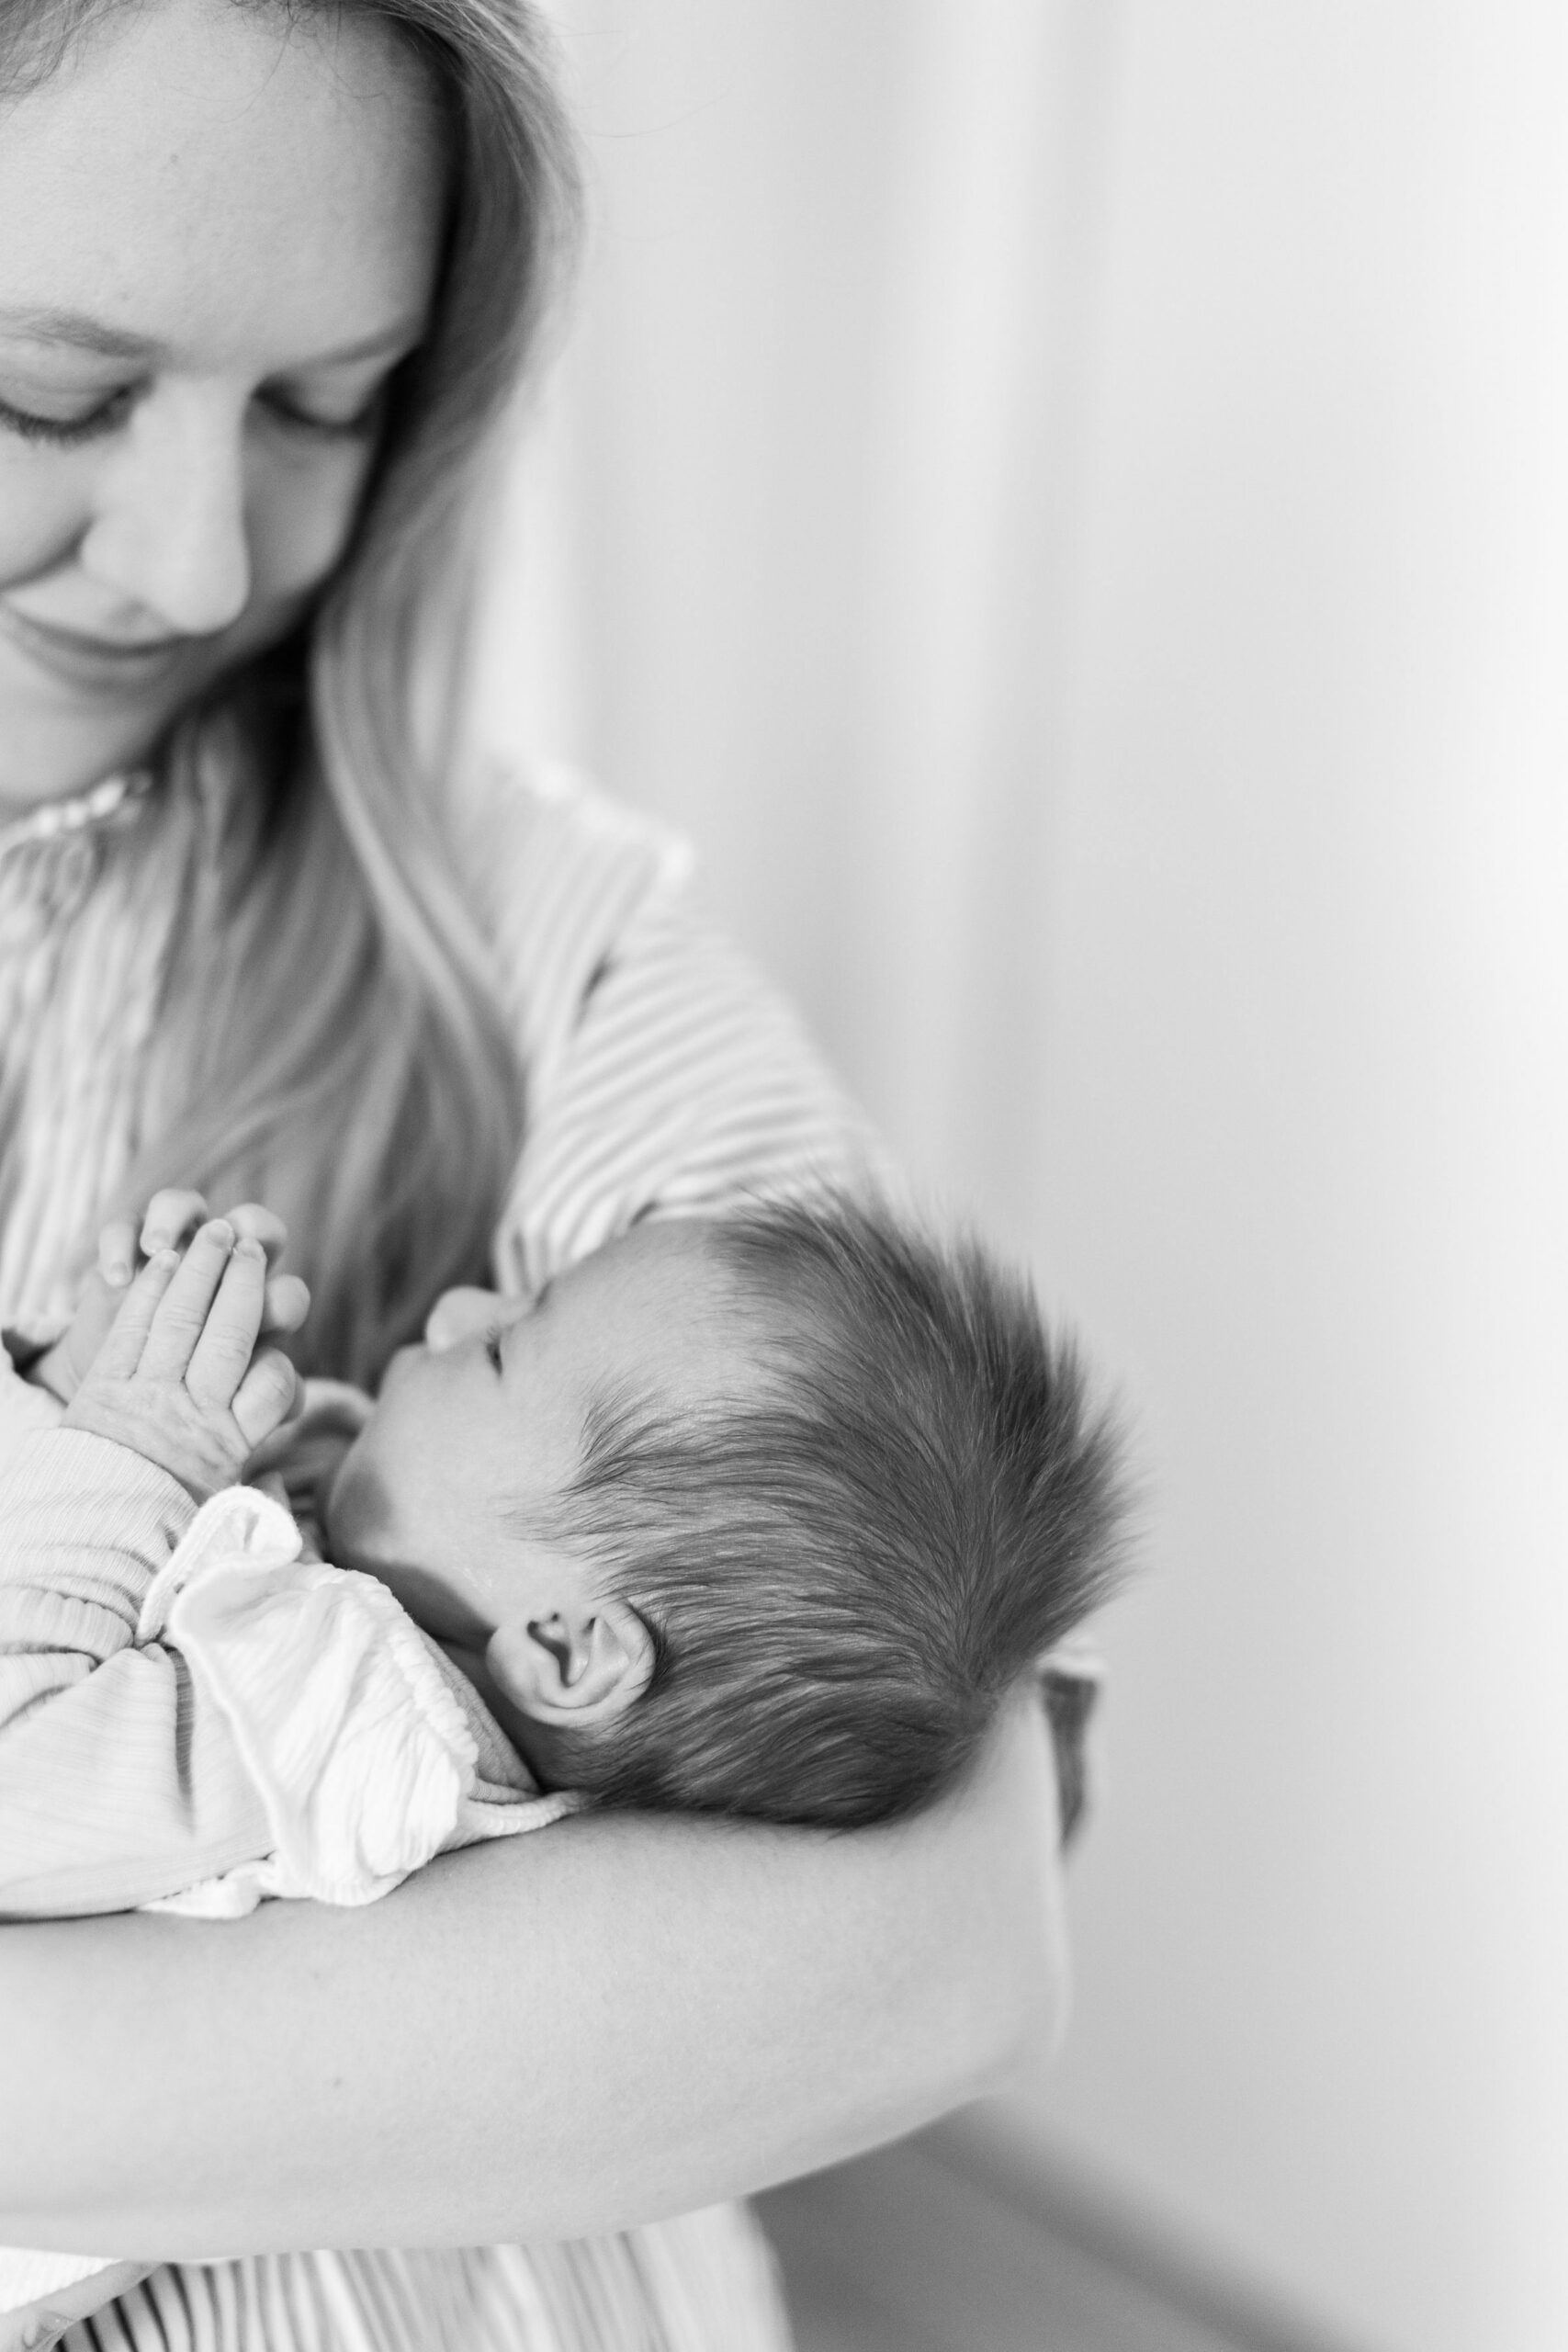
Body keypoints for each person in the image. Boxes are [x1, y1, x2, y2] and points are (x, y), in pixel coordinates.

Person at [0, 2, 1077, 2348]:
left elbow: (953, 1931)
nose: (199, 565)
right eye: (49, 397)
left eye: (326, 403)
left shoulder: (532, 934)